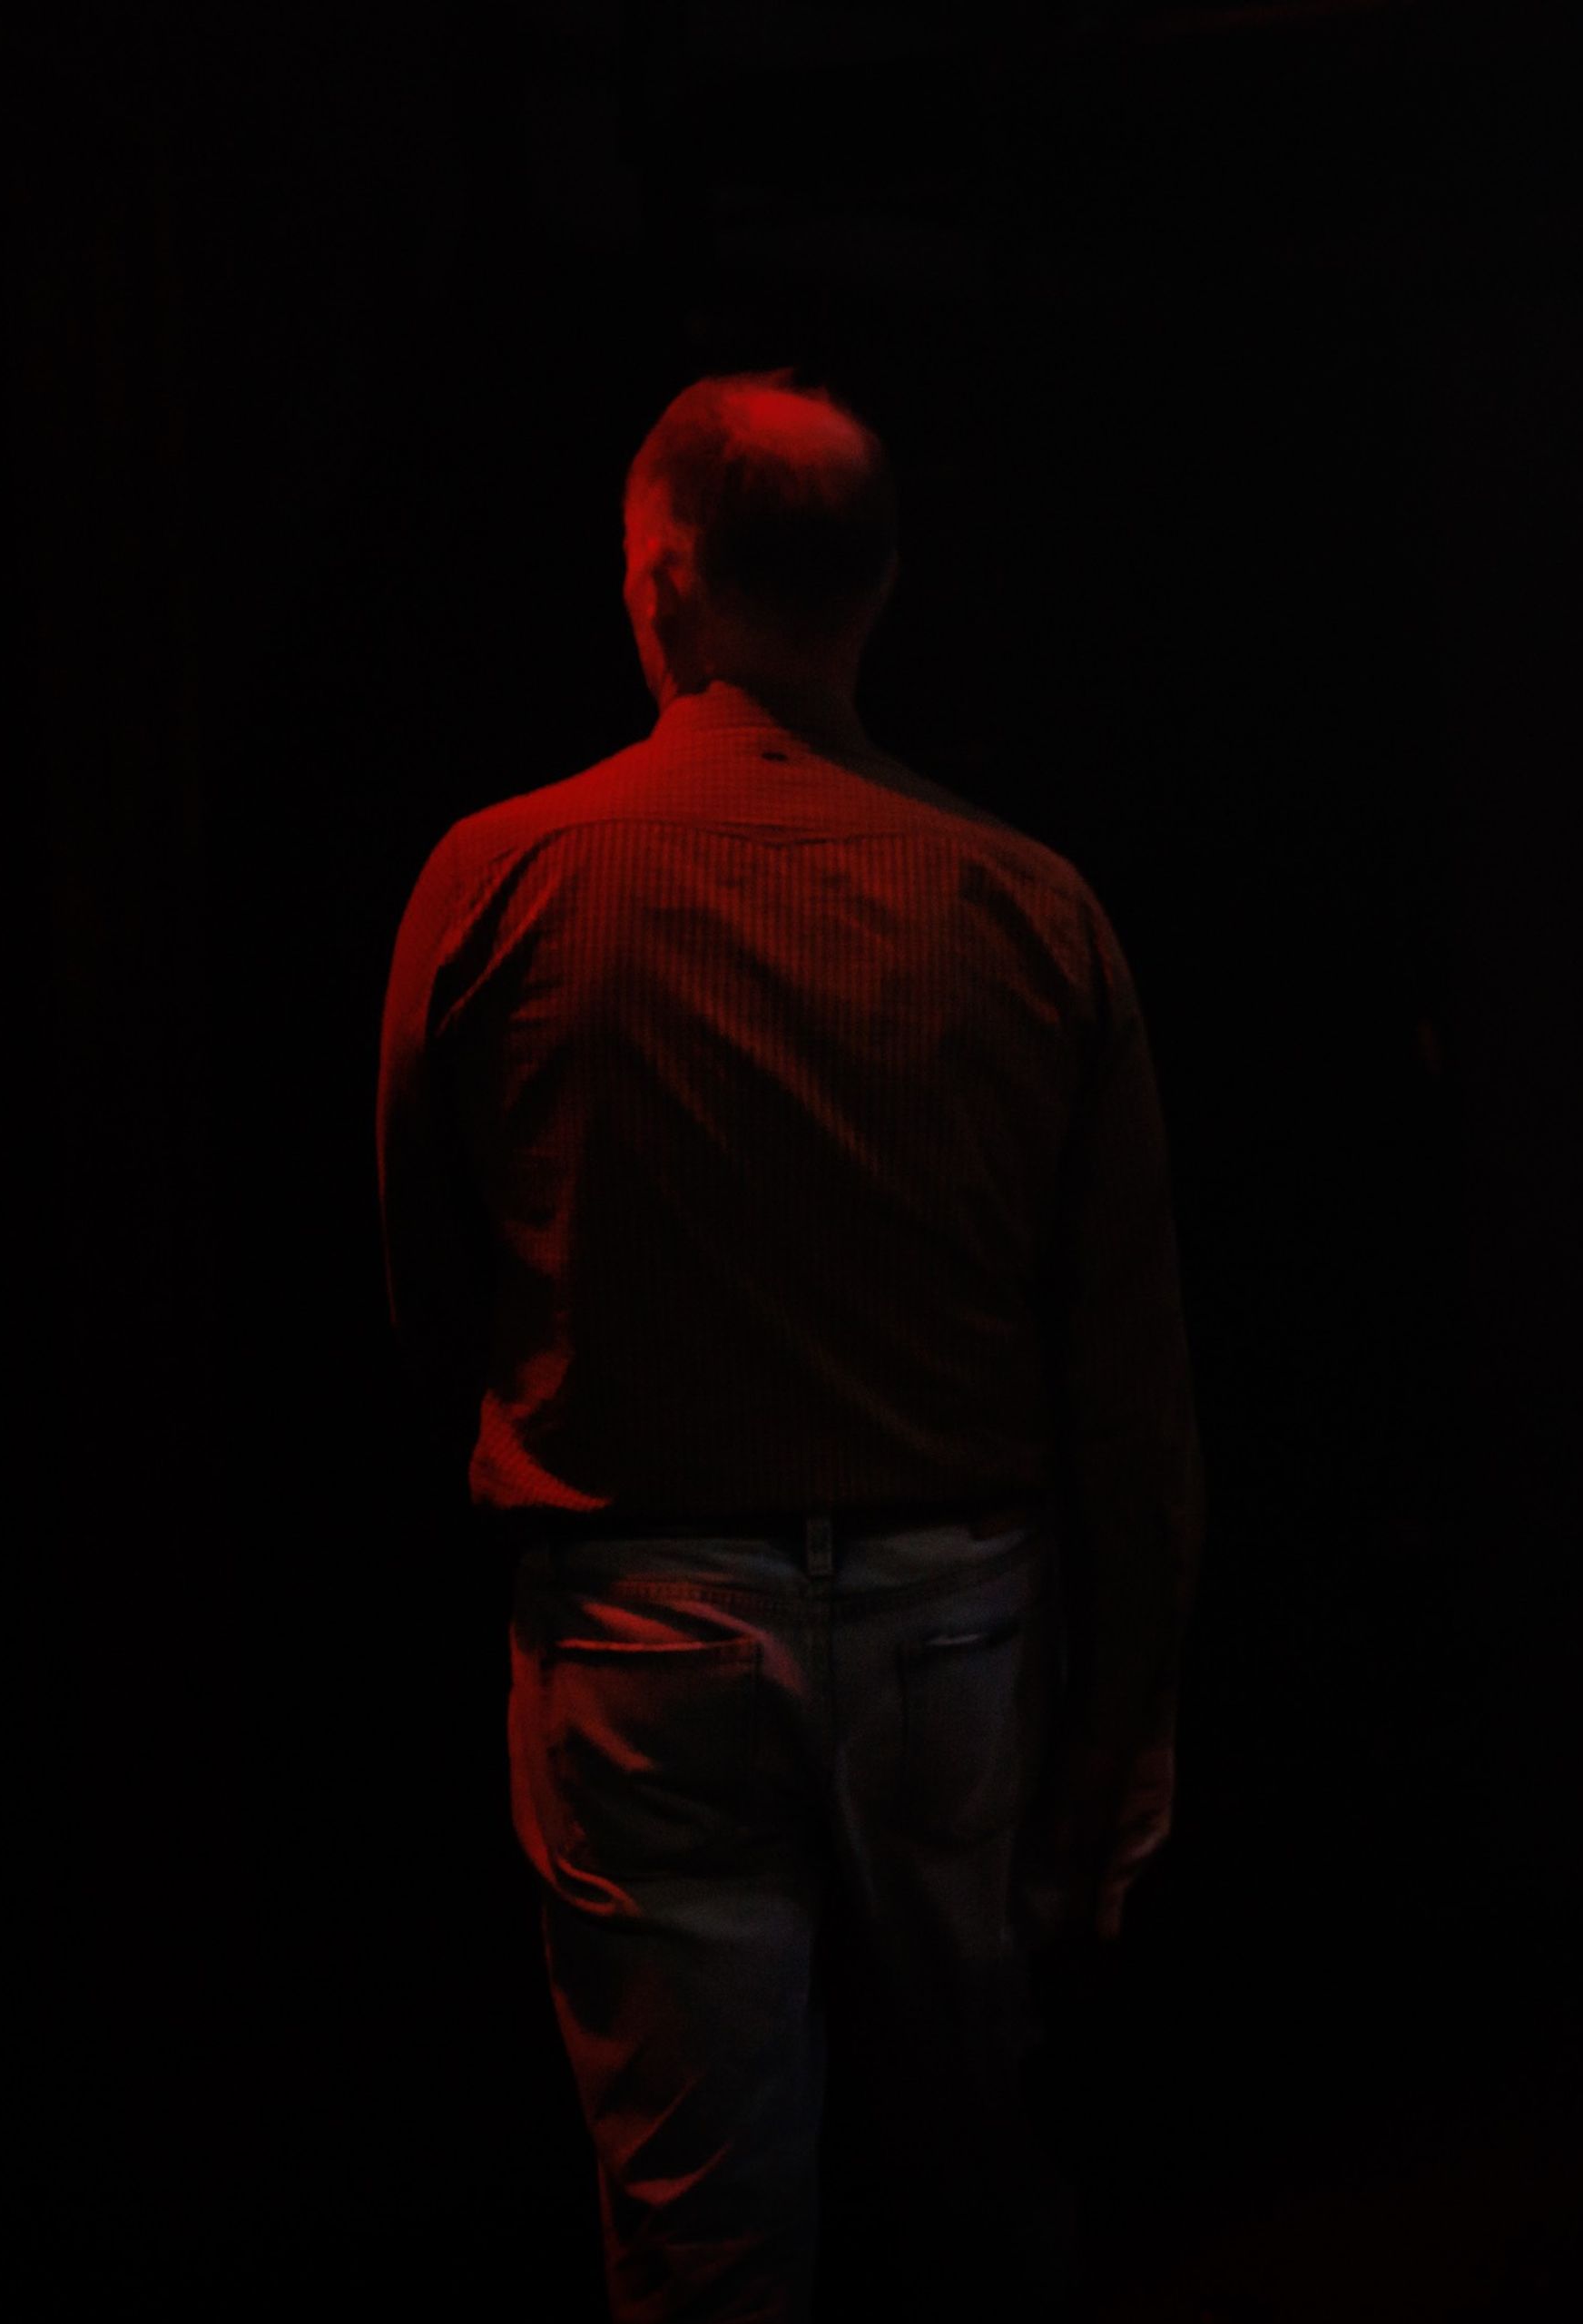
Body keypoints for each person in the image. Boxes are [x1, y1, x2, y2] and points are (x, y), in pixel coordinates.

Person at [377, 373, 1199, 2318]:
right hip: (960, 1626)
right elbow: (1130, 1373)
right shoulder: (1032, 907)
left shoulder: (496, 885)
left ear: (661, 586)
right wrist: (1134, 1700)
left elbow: (430, 1296)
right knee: (983, 2188)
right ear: (880, 589)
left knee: (702, 2233)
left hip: (639, 1624)